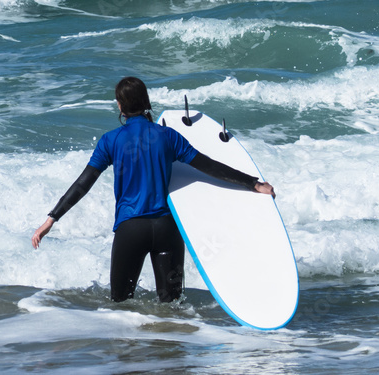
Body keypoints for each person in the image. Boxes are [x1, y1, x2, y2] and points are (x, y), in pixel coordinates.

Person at [32, 77, 275, 303]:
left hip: (131, 230)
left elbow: (83, 183)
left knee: (120, 306)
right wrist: (253, 183)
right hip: (167, 229)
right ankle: (170, 347)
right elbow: (208, 165)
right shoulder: (169, 136)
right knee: (173, 307)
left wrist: (52, 218)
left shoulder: (111, 140)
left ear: (120, 106)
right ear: (146, 102)